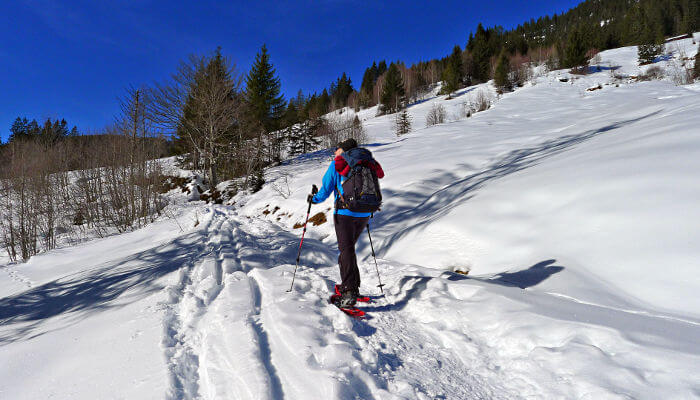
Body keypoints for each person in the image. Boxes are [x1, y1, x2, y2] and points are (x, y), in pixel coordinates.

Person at [309, 138, 384, 308]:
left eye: (337, 148)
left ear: (343, 150)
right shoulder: (367, 162)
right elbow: (379, 176)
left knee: (346, 250)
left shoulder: (339, 163)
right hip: (365, 211)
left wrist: (313, 199)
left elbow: (326, 189)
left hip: (345, 212)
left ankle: (349, 292)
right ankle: (352, 286)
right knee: (348, 249)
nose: (335, 151)